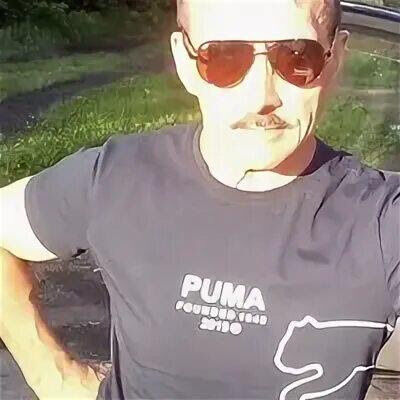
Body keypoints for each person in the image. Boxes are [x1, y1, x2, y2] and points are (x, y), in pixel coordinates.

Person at [1, 0, 399, 399]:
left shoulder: (380, 221)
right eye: (224, 58)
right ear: (185, 60)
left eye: (298, 57)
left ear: (335, 58)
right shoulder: (118, 178)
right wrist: (53, 376)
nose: (262, 96)